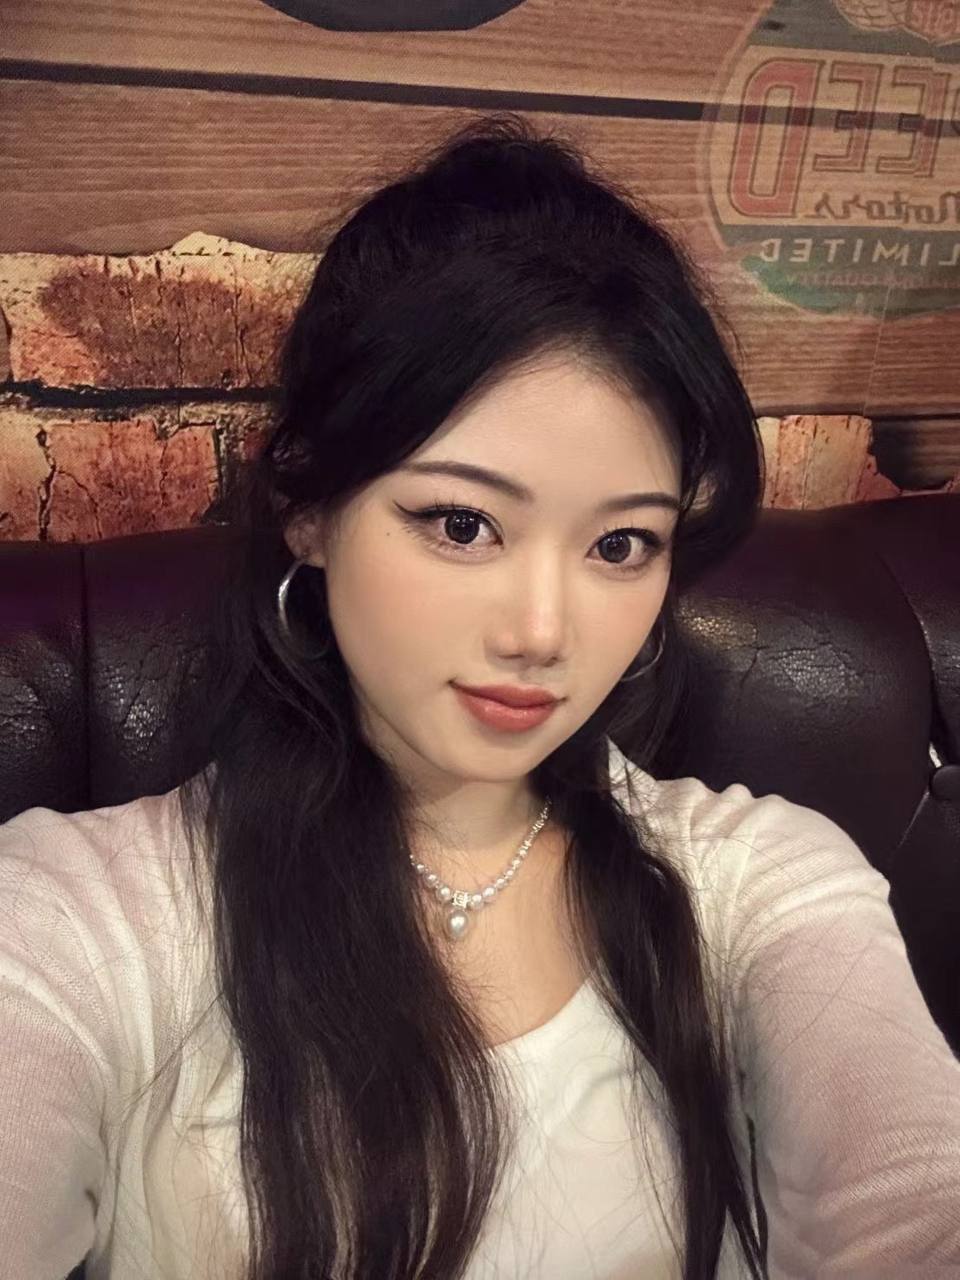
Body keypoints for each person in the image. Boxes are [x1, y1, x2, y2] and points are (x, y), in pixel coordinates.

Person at [1, 112, 958, 1280]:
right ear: (308, 504)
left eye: (620, 545)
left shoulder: (759, 883)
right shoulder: (78, 920)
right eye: (462, 523)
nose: (543, 632)